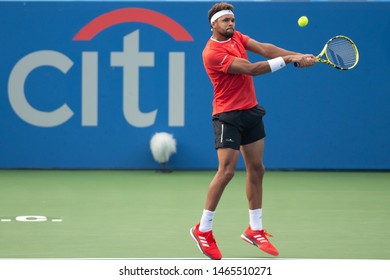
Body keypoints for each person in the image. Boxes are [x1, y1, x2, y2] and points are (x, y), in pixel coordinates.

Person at [190, 2, 316, 260]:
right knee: (226, 172)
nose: (231, 24)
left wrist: (298, 55)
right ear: (213, 24)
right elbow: (251, 69)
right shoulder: (212, 52)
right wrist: (289, 60)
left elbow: (265, 49)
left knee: (257, 169)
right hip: (227, 116)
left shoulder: (236, 36)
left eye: (232, 20)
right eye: (225, 21)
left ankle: (255, 229)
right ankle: (203, 229)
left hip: (250, 111)